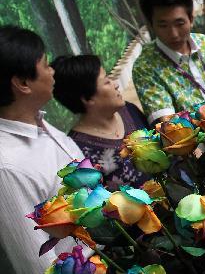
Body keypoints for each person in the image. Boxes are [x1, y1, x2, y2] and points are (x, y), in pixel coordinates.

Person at [0, 26, 99, 274]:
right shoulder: (7, 164)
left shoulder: (41, 125)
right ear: (22, 83)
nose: (52, 70)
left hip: (98, 267)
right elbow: (33, 253)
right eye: (44, 64)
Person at [51, 55, 149, 190]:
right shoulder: (78, 151)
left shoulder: (129, 109)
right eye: (106, 82)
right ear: (87, 98)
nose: (115, 84)